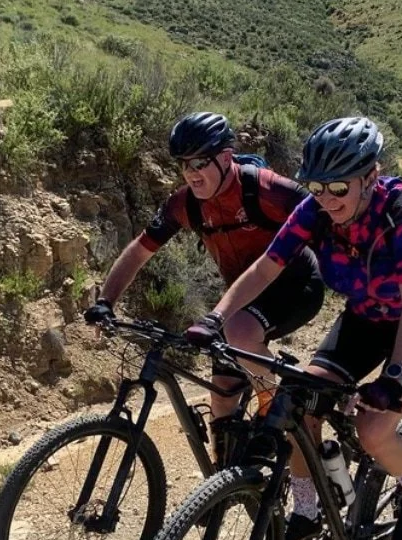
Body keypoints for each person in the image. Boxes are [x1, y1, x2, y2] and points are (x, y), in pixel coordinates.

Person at [186, 116, 402, 540]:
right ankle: (307, 509)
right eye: (317, 188)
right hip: (367, 317)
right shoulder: (314, 209)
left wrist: (393, 379)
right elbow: (265, 268)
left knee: (373, 430)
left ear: (370, 177)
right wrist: (217, 317)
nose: (327, 199)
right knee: (298, 404)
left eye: (339, 188)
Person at [85, 111, 325, 452]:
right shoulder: (185, 204)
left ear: (226, 158)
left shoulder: (267, 189)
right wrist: (105, 301)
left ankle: (273, 417)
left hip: (297, 286)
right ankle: (227, 486)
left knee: (239, 331)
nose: (191, 173)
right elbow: (139, 251)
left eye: (200, 163)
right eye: (184, 165)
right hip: (240, 299)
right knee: (222, 398)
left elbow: (329, 220)